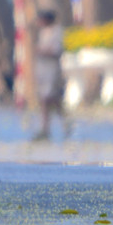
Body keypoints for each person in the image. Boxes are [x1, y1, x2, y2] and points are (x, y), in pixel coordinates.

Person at [34, 9, 67, 140]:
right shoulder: (43, 32)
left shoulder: (56, 32)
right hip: (42, 69)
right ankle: (45, 128)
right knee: (45, 99)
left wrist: (43, 51)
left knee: (49, 98)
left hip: (52, 69)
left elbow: (57, 50)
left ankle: (61, 122)